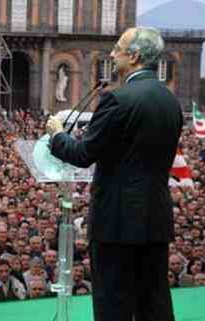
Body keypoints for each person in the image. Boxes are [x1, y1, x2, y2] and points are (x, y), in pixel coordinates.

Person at [46, 27, 182, 321]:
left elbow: (82, 155)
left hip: (117, 220)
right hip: (155, 216)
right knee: (154, 300)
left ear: (133, 56)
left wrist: (57, 135)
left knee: (113, 303)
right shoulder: (171, 100)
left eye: (117, 48)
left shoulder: (118, 100)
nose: (111, 53)